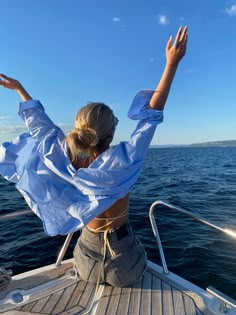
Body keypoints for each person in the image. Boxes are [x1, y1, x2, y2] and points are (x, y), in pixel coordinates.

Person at [0, 26, 188, 287]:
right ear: (110, 135)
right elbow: (151, 116)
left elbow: (39, 124)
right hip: (122, 262)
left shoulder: (57, 153)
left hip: (85, 257)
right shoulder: (122, 162)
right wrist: (172, 63)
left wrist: (19, 88)